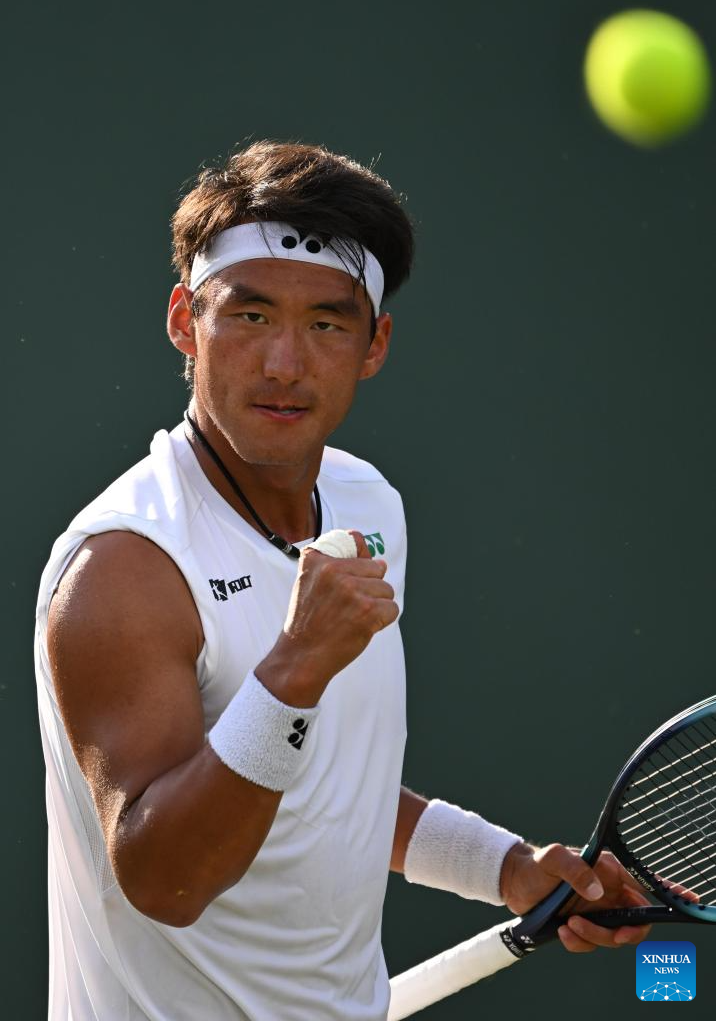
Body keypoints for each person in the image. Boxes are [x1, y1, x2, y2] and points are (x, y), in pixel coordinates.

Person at [35, 140, 650, 1021]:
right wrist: (294, 669)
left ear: (374, 345)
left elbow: (322, 789)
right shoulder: (125, 569)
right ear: (184, 321)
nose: (284, 364)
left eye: (327, 324)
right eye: (250, 315)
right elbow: (165, 881)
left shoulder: (367, 504)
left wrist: (507, 868)